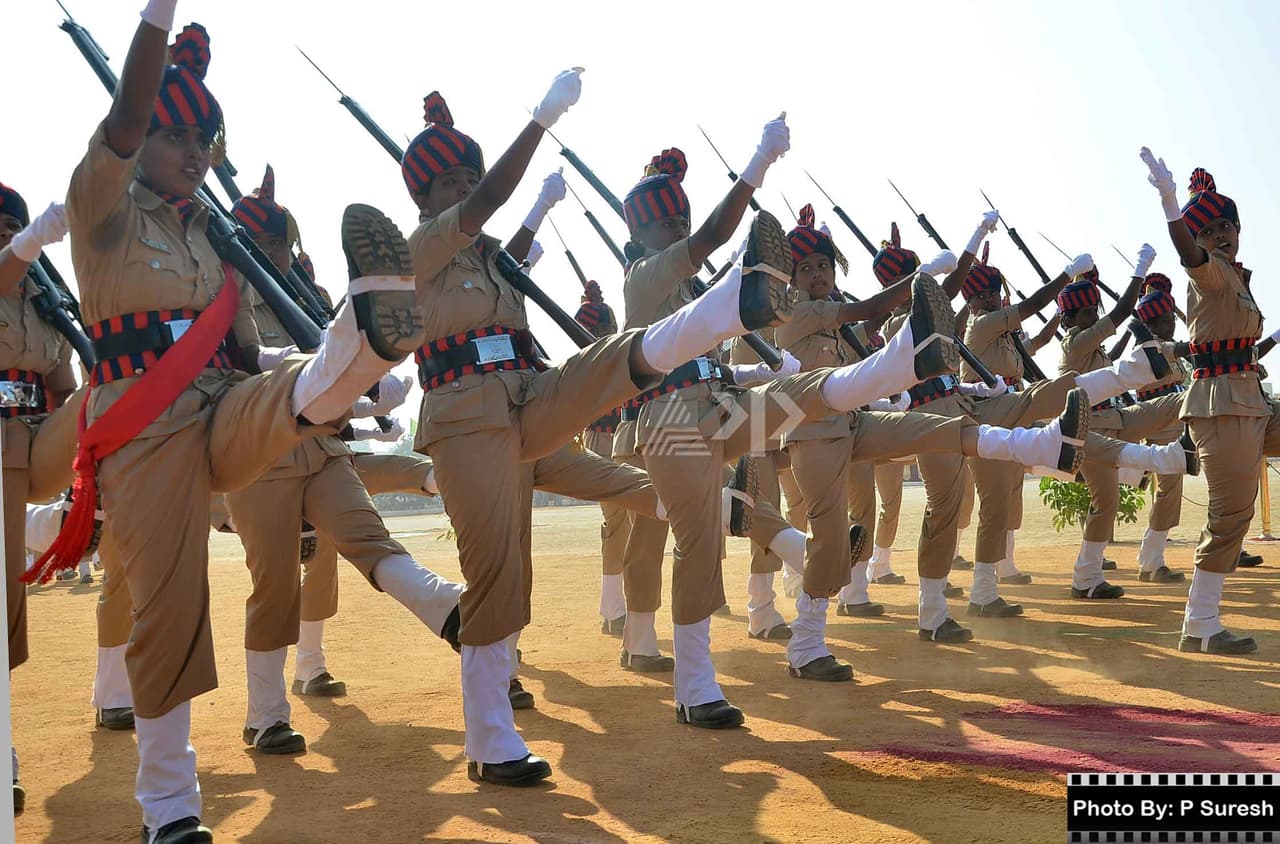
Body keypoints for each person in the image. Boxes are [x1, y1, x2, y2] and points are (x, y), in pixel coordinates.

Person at [51, 8, 453, 838]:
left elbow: (247, 363)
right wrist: (155, 22)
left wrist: (349, 393)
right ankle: (168, 806)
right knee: (170, 604)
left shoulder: (217, 243)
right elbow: (126, 117)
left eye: (209, 143)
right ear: (138, 143)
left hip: (220, 404)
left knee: (287, 399)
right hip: (140, 425)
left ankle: (360, 345)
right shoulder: (103, 208)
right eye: (180, 139)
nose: (197, 155)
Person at [225, 165, 463, 754]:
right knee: (275, 585)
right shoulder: (227, 293)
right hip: (262, 456)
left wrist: (370, 385)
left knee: (369, 538)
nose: (280, 253)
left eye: (283, 243)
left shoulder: (299, 291)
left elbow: (337, 358)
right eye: (270, 243)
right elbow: (254, 358)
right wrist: (357, 394)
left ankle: (448, 607)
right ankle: (266, 715)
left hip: (325, 448)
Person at [1141, 148, 1266, 654]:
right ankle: (1202, 624)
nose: (1219, 237)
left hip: (1250, 401)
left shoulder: (1237, 277)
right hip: (1223, 407)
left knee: (1236, 508)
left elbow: (1236, 343)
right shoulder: (1211, 271)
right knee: (1232, 514)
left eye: (1225, 228)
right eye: (1208, 231)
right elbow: (1187, 256)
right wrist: (1172, 204)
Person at [0, 182, 77, 814]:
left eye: (10, 224)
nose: (2, 230)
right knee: (5, 598)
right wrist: (27, 246)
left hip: (32, 442)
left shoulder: (42, 300)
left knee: (113, 387)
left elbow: (65, 385)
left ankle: (89, 508)